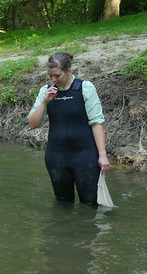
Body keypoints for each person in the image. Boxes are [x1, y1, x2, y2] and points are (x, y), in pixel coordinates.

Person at [28, 52, 110, 206]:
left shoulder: (84, 88)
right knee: (63, 204)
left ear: (68, 70)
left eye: (57, 76)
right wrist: (44, 102)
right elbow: (33, 124)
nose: (53, 80)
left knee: (90, 205)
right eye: (50, 76)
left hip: (85, 157)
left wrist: (102, 155)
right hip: (56, 157)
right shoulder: (45, 92)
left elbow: (97, 122)